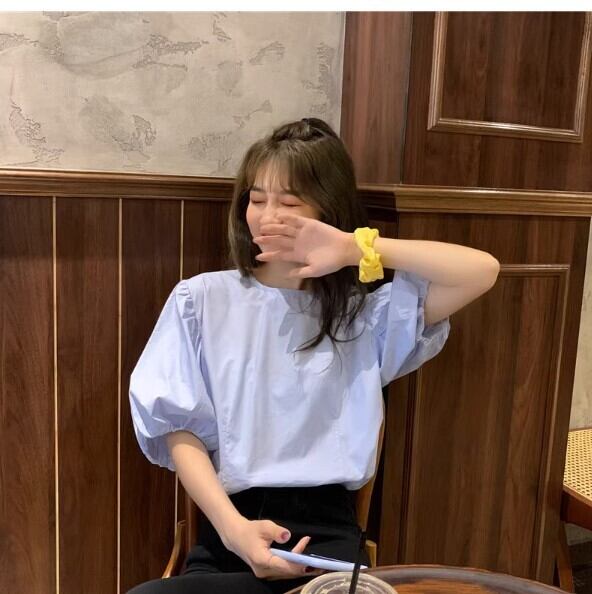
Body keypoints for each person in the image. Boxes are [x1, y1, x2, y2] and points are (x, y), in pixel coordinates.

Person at [126, 117, 500, 594]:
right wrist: (234, 531)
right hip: (231, 527)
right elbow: (177, 427)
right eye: (256, 199)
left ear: (327, 209)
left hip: (329, 538)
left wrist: (353, 248)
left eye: (289, 203)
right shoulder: (200, 300)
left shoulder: (364, 317)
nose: (267, 216)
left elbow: (480, 270)